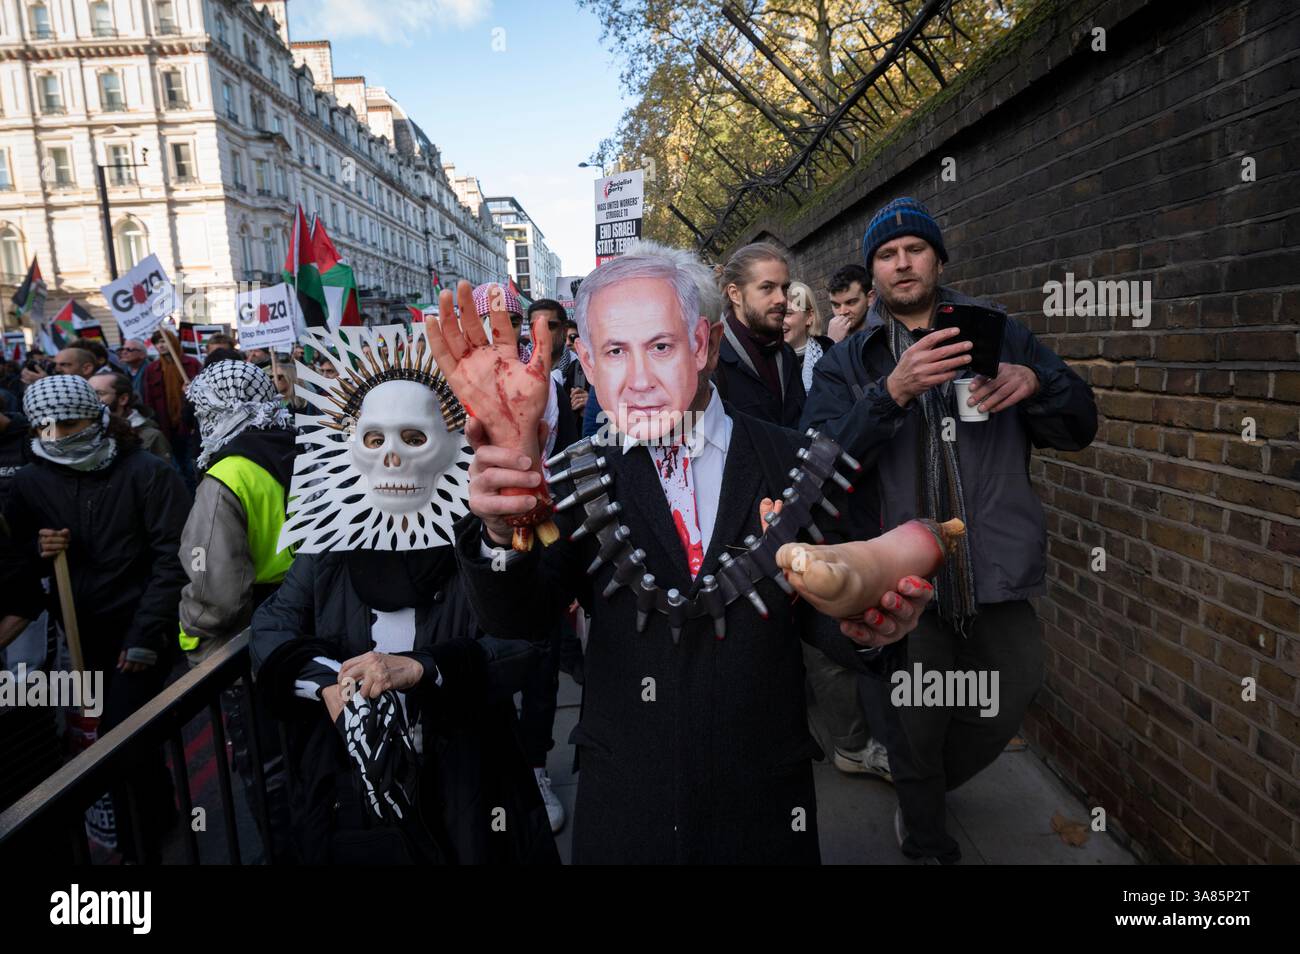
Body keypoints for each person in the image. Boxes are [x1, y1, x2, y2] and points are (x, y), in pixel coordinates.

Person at [428, 243, 937, 864]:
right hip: (627, 800)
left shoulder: (793, 460)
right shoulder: (570, 476)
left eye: (661, 346)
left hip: (762, 797)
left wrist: (865, 624)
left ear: (703, 344)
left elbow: (823, 611)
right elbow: (517, 622)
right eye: (615, 352)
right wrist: (500, 532)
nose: (638, 377)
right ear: (585, 361)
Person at [801, 196, 1099, 863]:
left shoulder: (998, 331)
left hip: (991, 564)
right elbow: (818, 464)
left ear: (938, 257)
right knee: (914, 718)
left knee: (1011, 690)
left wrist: (1037, 383)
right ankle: (926, 832)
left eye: (915, 248)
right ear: (873, 272)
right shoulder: (848, 364)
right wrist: (892, 393)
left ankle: (923, 786)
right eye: (886, 253)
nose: (902, 262)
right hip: (902, 572)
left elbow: (1080, 424)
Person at [250, 321, 560, 864]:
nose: (391, 457)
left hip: (470, 778)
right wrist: (328, 683)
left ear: (449, 445)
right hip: (357, 790)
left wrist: (423, 667)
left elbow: (525, 643)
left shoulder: (480, 539)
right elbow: (272, 629)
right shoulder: (329, 549)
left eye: (413, 439)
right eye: (375, 440)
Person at [2, 375, 189, 860]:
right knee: (97, 740)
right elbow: (19, 562)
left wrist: (147, 633)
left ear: (96, 417)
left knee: (123, 739)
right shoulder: (28, 479)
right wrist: (38, 550)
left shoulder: (147, 472)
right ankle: (143, 822)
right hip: (78, 633)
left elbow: (174, 558)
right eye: (44, 425)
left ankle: (145, 838)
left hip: (140, 629)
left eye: (68, 422)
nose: (56, 435)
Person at [713, 242, 806, 428]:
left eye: (784, 288)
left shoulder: (787, 354)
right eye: (767, 288)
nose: (781, 299)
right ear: (735, 294)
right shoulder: (711, 361)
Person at [142, 328, 202, 493]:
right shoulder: (152, 369)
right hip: (166, 427)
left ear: (173, 342)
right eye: (157, 342)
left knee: (192, 467)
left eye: (163, 341)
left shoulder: (192, 364)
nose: (160, 346)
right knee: (176, 468)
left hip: (190, 426)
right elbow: (148, 400)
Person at [89, 371, 172, 463]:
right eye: (88, 393)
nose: (91, 399)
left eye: (100, 393)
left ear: (123, 399)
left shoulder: (150, 436)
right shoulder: (85, 431)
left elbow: (163, 474)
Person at [784, 280, 834, 394]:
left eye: (788, 314)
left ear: (809, 316)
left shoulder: (830, 355)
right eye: (778, 313)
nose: (781, 321)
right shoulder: (765, 359)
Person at [826, 264, 872, 344]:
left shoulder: (887, 334)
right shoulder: (828, 341)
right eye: (836, 305)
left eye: (850, 302)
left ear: (870, 298)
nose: (842, 312)